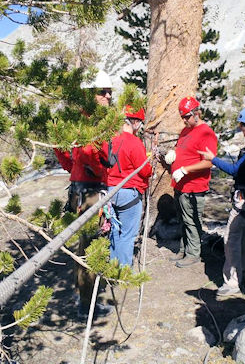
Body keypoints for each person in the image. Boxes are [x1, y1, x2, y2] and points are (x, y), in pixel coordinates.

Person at [53, 69, 114, 320]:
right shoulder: (92, 121)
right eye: (103, 92)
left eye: (109, 92)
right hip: (89, 190)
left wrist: (73, 168)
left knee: (82, 246)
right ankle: (87, 305)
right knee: (89, 247)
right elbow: (89, 155)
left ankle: (83, 296)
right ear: (91, 94)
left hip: (80, 187)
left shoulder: (78, 119)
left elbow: (61, 147)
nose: (108, 96)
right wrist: (101, 171)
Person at [198, 106, 245, 296]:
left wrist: (213, 159)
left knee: (231, 239)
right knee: (243, 238)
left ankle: (232, 282)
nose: (240, 128)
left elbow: (236, 170)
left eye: (242, 125)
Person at [165, 96, 218, 268]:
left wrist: (185, 170)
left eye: (187, 116)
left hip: (194, 187)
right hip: (180, 185)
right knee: (182, 219)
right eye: (183, 117)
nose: (185, 120)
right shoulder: (185, 131)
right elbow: (183, 149)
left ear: (197, 113)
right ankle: (184, 249)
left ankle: (193, 253)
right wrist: (172, 154)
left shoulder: (206, 133)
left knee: (192, 221)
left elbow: (209, 161)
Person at [106, 105, 152, 267]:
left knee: (115, 231)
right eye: (139, 122)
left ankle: (113, 266)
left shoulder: (112, 140)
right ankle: (124, 271)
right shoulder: (134, 142)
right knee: (127, 234)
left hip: (111, 191)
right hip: (129, 193)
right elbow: (145, 170)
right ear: (134, 122)